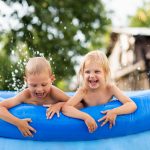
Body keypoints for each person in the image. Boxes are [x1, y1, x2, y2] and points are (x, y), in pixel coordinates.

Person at [62, 50, 137, 133]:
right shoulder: (83, 91)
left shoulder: (110, 88)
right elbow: (66, 108)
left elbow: (131, 105)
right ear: (82, 74)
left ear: (105, 73)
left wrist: (115, 112)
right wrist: (85, 117)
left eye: (97, 71)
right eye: (87, 72)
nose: (92, 76)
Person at [0, 57, 70, 137]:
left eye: (44, 84)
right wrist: (18, 122)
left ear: (52, 79)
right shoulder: (25, 95)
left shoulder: (54, 93)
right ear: (26, 81)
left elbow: (78, 103)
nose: (39, 89)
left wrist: (60, 105)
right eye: (33, 85)